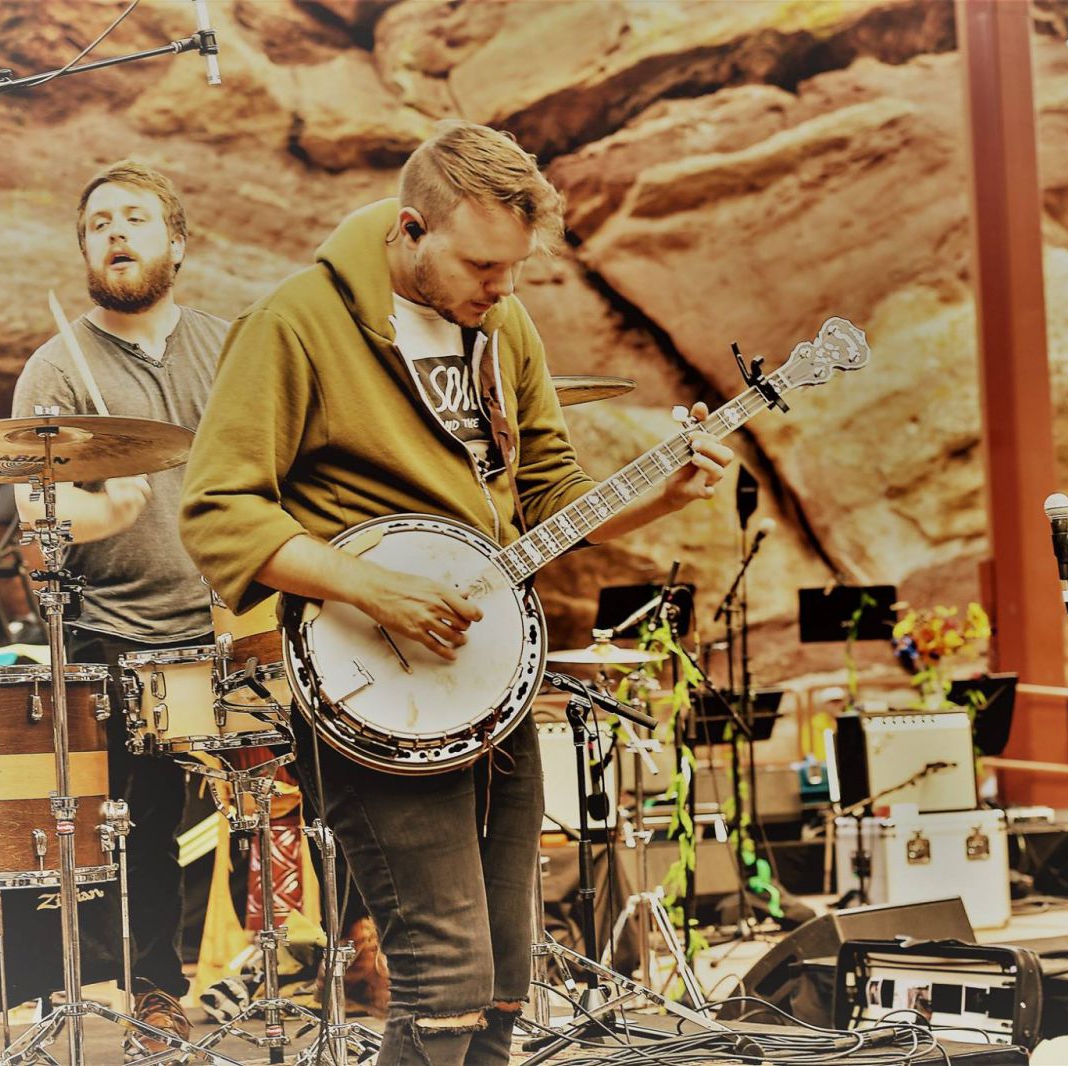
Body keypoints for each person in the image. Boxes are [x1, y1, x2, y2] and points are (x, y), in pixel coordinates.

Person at [179, 119, 734, 1066]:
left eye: (514, 267)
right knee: (444, 978)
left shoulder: (503, 327)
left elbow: (550, 496)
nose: (502, 287)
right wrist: (372, 589)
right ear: (411, 229)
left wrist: (661, 495)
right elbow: (217, 509)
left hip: (491, 681)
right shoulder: (294, 323)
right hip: (371, 690)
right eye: (482, 265)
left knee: (507, 979)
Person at [9, 161, 222, 1052]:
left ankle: (345, 957)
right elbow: (37, 515)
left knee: (315, 786)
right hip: (121, 630)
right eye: (99, 224)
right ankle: (156, 991)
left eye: (134, 218)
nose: (115, 234)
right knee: (150, 820)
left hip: (230, 620)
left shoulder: (226, 349)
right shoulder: (58, 368)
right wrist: (108, 513)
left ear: (178, 243)